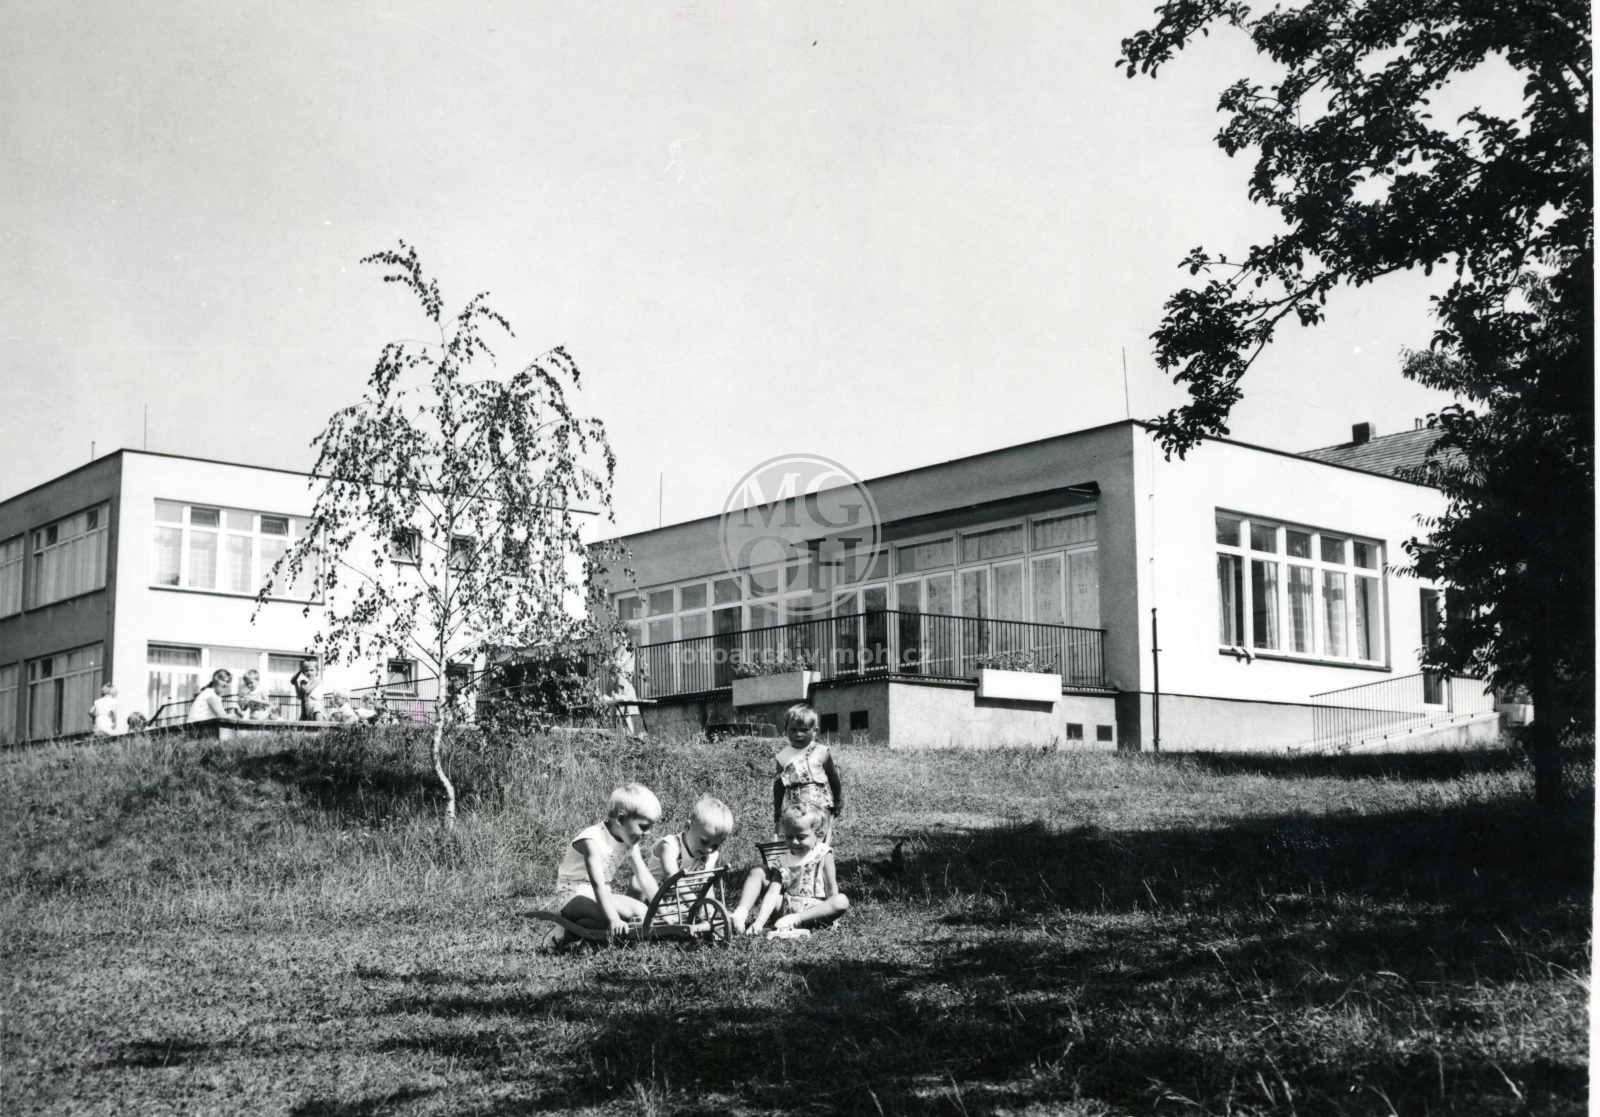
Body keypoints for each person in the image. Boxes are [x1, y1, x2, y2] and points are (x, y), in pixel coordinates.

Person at [553, 783, 663, 937]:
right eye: (644, 826)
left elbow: (644, 877)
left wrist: (662, 909)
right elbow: (597, 884)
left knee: (643, 912)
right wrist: (613, 919)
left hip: (600, 894)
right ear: (620, 819)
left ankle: (593, 932)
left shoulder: (629, 843)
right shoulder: (592, 841)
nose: (648, 833)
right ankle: (563, 932)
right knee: (606, 919)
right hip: (573, 895)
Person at [731, 804, 849, 935]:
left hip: (814, 912)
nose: (794, 842)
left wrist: (834, 916)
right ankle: (740, 916)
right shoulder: (781, 862)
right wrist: (759, 922)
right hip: (785, 908)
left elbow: (831, 889)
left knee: (841, 900)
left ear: (818, 834)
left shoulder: (823, 854)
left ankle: (794, 920)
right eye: (789, 836)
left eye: (801, 837)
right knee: (759, 870)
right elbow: (772, 894)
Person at [628, 796, 734, 902]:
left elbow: (707, 886)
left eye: (716, 846)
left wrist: (709, 906)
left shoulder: (710, 856)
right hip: (652, 897)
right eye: (704, 841)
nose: (709, 850)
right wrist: (693, 904)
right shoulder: (670, 846)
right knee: (637, 886)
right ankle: (637, 914)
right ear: (687, 827)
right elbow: (672, 877)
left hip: (679, 902)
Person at [772, 703, 843, 842]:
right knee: (800, 836)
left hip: (820, 803)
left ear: (814, 730)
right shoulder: (782, 756)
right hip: (795, 805)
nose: (798, 734)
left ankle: (822, 860)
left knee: (820, 836)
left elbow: (833, 776)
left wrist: (838, 799)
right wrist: (777, 808)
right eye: (793, 730)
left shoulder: (821, 751)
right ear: (785, 730)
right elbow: (779, 786)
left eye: (804, 730)